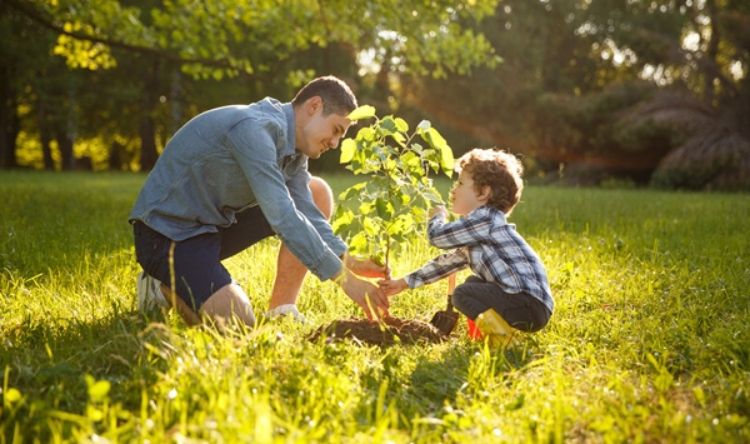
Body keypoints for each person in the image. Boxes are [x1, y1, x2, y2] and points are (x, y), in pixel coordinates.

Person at [130, 75, 389, 327]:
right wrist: (347, 281)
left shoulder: (296, 152)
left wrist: (349, 260)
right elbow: (283, 216)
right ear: (314, 106)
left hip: (211, 227)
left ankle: (282, 309)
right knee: (238, 323)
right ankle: (161, 284)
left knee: (315, 192)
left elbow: (307, 212)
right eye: (336, 130)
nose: (334, 143)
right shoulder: (255, 129)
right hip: (166, 234)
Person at [378, 148, 553, 346]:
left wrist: (438, 216)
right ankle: (484, 336)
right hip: (530, 304)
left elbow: (438, 237)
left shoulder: (485, 218)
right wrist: (403, 283)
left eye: (461, 183)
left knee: (462, 294)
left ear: (484, 193)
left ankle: (503, 342)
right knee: (472, 283)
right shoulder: (480, 229)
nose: (454, 189)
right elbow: (447, 263)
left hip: (527, 304)